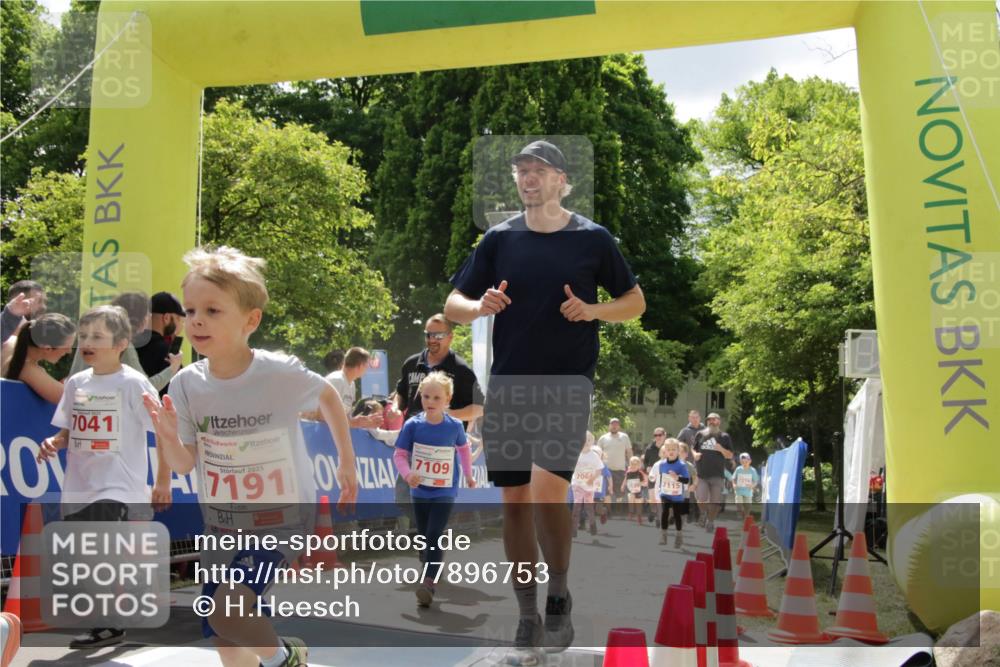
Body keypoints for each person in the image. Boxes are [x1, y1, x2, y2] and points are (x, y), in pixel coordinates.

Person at [445, 138, 645, 664]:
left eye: (538, 170)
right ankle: (527, 611)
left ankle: (559, 590)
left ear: (562, 180)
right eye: (521, 171)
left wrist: (594, 311)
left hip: (566, 384)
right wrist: (477, 304)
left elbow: (635, 302)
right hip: (508, 385)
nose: (527, 178)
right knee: (513, 501)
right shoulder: (499, 238)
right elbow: (452, 304)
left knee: (544, 493)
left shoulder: (593, 238)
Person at [141, 246, 358, 667]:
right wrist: (167, 437)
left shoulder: (278, 372)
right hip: (222, 525)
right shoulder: (186, 385)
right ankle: (273, 655)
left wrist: (346, 463)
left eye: (213, 310)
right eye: (190, 310)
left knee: (229, 610)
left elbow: (329, 397)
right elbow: (186, 464)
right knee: (224, 630)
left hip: (280, 519)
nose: (197, 320)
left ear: (250, 320)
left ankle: (285, 658)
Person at [36, 305, 167, 649]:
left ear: (121, 342)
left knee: (99, 553)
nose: (87, 343)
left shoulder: (133, 383)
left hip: (118, 485)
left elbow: (162, 432)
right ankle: (127, 593)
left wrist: (163, 480)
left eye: (97, 336)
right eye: (83, 336)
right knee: (83, 556)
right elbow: (67, 430)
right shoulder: (77, 383)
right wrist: (54, 442)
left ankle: (109, 622)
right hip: (79, 484)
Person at [393, 372, 476, 608]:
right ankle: (431, 567)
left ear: (448, 400)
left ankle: (428, 583)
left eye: (436, 398)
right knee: (423, 534)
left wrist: (469, 475)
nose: (429, 401)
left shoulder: (454, 426)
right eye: (426, 396)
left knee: (434, 534)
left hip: (444, 490)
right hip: (419, 491)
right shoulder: (412, 425)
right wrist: (408, 475)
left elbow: (463, 450)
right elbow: (399, 454)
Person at [69, 292, 180, 393]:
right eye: (147, 314)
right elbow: (145, 388)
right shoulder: (123, 346)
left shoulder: (87, 340)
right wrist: (172, 369)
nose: (149, 318)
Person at [396, 313, 484, 425]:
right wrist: (395, 408)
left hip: (446, 438)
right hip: (413, 435)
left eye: (438, 336)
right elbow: (401, 394)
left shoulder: (461, 369)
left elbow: (479, 408)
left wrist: (449, 414)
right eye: (428, 335)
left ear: (450, 337)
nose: (432, 340)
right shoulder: (411, 363)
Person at [2, 314, 76, 404]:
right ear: (47, 348)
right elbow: (70, 399)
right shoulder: (28, 369)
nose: (69, 351)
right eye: (67, 347)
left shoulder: (9, 343)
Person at [135, 291, 186, 394]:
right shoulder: (168, 353)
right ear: (166, 318)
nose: (182, 326)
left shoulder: (129, 345)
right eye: (179, 320)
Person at [692, 412, 735, 533]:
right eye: (709, 420)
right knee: (700, 498)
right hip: (702, 474)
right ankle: (703, 513)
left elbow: (730, 454)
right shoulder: (700, 434)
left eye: (714, 419)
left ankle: (710, 522)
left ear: (719, 421)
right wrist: (695, 454)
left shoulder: (724, 437)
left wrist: (721, 449)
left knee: (715, 502)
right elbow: (693, 448)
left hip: (717, 475)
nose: (711, 422)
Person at [648, 438, 690, 548]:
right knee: (664, 512)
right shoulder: (662, 464)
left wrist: (677, 477)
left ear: (678, 451)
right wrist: (659, 488)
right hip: (665, 493)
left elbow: (686, 480)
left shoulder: (681, 465)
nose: (671, 451)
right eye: (668, 449)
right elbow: (661, 477)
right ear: (665, 451)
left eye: (674, 449)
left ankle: (679, 536)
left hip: (677, 495)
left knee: (677, 515)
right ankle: (663, 535)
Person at [325, 347, 381, 428]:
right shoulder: (336, 380)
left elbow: (346, 416)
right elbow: (325, 414)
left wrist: (361, 421)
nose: (367, 369)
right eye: (367, 366)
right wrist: (355, 423)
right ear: (361, 365)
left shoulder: (351, 384)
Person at [597, 417, 633, 513]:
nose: (614, 426)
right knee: (607, 492)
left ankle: (618, 510)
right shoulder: (603, 438)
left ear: (619, 426)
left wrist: (631, 463)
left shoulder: (624, 437)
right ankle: (609, 511)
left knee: (620, 492)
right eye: (612, 424)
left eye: (616, 425)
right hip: (606, 470)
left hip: (620, 469)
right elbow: (597, 453)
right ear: (609, 426)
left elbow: (629, 451)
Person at [570, 431, 600, 538]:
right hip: (577, 484)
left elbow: (599, 470)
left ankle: (593, 528)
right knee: (576, 507)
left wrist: (592, 479)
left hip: (589, 486)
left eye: (589, 440)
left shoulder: (594, 456)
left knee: (589, 508)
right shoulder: (575, 454)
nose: (586, 442)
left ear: (592, 442)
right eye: (584, 440)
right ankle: (573, 530)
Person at [726, 453, 759, 521]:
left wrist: (752, 485)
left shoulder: (752, 470)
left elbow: (756, 481)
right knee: (739, 501)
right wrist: (734, 485)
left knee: (748, 505)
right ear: (740, 462)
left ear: (750, 461)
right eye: (742, 462)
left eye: (746, 461)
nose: (744, 463)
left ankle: (746, 517)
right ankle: (739, 511)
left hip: (748, 491)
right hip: (739, 490)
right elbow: (733, 479)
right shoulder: (738, 469)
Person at [643, 428, 667, 523]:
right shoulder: (650, 448)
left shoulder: (668, 446)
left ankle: (659, 517)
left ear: (664, 435)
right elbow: (645, 461)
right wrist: (647, 468)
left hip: (665, 477)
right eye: (655, 435)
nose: (657, 437)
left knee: (661, 498)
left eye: (659, 435)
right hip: (652, 476)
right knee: (653, 498)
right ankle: (653, 511)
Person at [621, 456, 648, 524]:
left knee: (638, 503)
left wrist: (640, 483)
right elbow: (625, 479)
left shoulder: (640, 473)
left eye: (635, 464)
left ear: (639, 465)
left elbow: (645, 482)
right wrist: (623, 486)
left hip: (638, 491)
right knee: (631, 498)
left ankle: (639, 515)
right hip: (631, 490)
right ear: (629, 464)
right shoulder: (628, 472)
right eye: (632, 464)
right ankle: (631, 512)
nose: (633, 466)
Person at [678, 442, 699, 524]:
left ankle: (681, 523)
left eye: (682, 452)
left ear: (686, 454)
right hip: (672, 491)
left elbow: (695, 477)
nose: (680, 453)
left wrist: (694, 485)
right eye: (678, 451)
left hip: (685, 492)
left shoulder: (689, 466)